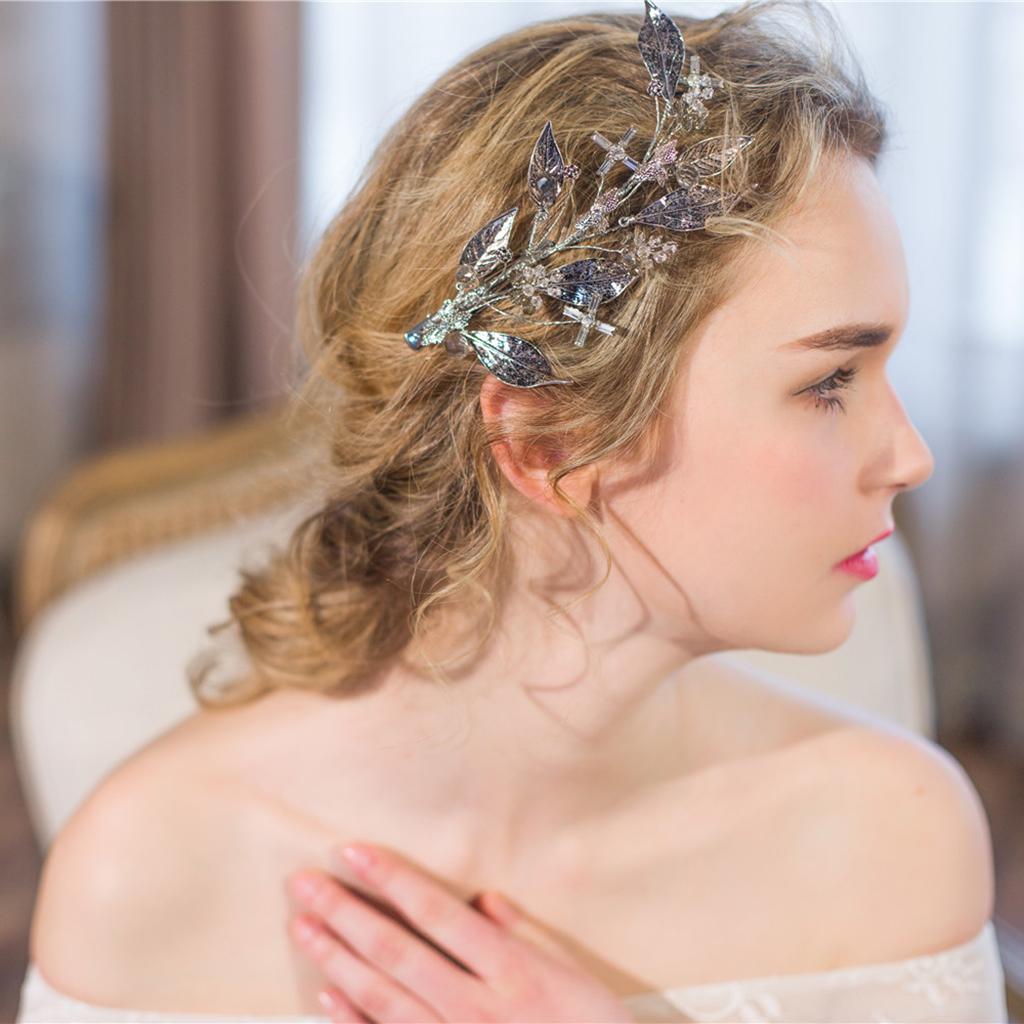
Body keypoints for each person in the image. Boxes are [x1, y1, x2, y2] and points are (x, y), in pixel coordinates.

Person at [17, 1, 1007, 1021]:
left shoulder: (891, 835)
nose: (912, 457)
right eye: (829, 381)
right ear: (549, 442)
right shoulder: (151, 875)